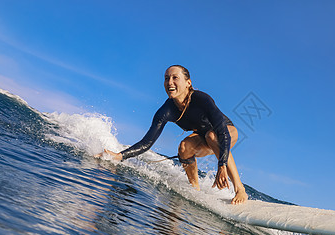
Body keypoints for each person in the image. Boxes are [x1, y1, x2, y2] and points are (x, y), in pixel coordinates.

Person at [97, 65, 248, 204]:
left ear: (188, 83)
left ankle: (240, 189)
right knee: (183, 148)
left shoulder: (202, 99)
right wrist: (119, 156)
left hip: (226, 132)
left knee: (212, 136)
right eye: (166, 78)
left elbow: (222, 131)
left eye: (175, 78)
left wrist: (221, 165)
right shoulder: (167, 110)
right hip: (203, 137)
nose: (170, 82)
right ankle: (195, 190)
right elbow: (147, 142)